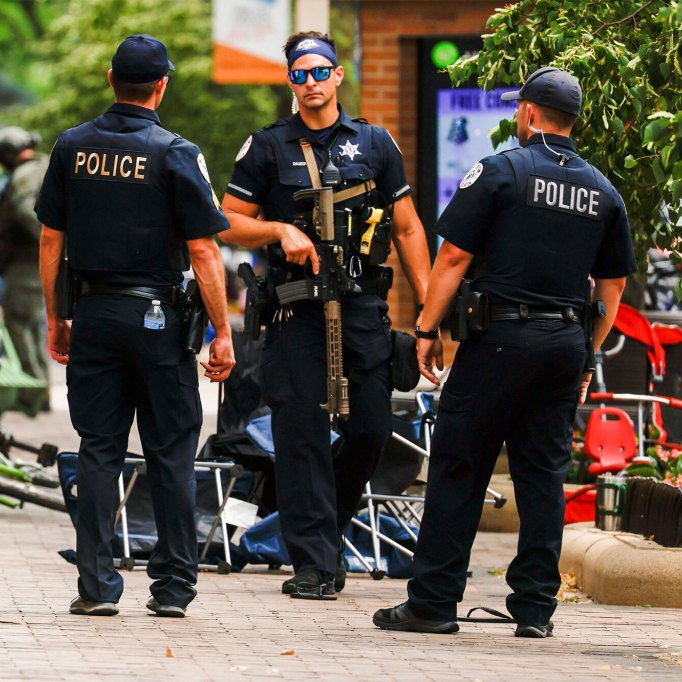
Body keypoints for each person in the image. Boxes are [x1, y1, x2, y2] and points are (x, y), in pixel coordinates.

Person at [373, 67, 635, 637]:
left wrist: (425, 328)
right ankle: (535, 609)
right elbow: (611, 290)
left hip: (499, 341)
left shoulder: (498, 172)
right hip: (564, 343)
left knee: (459, 464)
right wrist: (586, 356)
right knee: (542, 474)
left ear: (529, 113)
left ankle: (434, 603)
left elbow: (452, 259)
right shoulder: (603, 190)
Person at [219, 31, 434, 600]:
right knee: (301, 436)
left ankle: (326, 528)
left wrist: (432, 312)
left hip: (363, 308)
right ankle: (313, 562)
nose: (310, 83)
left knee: (370, 431)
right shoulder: (266, 147)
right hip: (296, 312)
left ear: (338, 75)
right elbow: (226, 220)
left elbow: (408, 227)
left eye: (320, 72)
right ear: (289, 81)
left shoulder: (374, 142)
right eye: (299, 74)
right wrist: (278, 229)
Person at [35, 34, 236, 618]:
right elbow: (202, 250)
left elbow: (52, 239)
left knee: (99, 448)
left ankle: (95, 587)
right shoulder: (176, 151)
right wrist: (222, 331)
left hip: (94, 313)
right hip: (158, 319)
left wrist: (57, 316)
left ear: (109, 78)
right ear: (162, 86)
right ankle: (172, 586)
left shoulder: (72, 147)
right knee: (170, 451)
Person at [0, 126, 51, 412]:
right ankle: (38, 392)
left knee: (21, 324)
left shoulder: (26, 174)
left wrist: (51, 245)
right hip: (31, 262)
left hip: (25, 263)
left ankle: (32, 393)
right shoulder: (43, 167)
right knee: (32, 326)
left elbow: (26, 213)